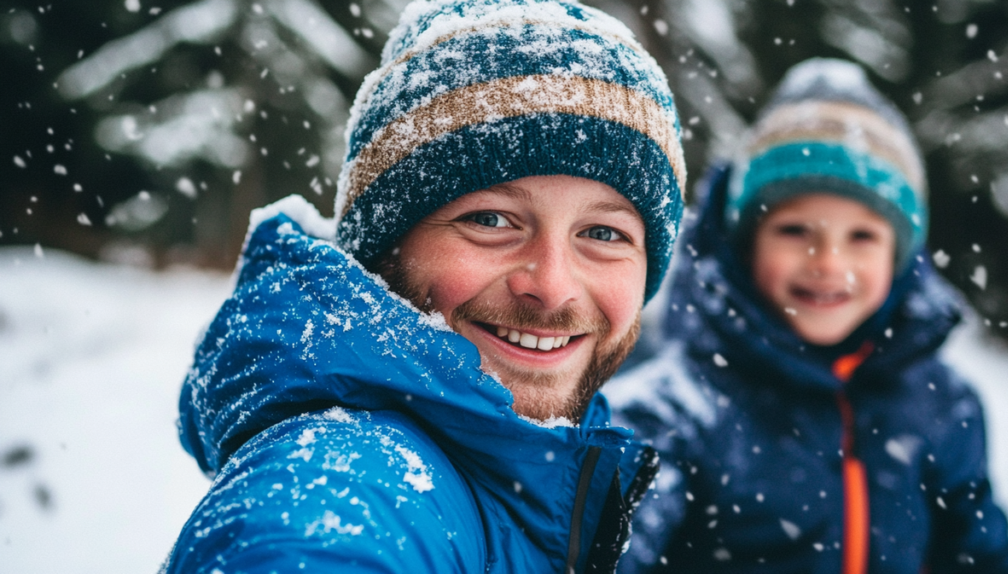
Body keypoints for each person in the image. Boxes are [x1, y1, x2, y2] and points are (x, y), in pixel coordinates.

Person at [161, 0, 687, 572]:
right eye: (490, 220)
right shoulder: (342, 486)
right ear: (385, 248)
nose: (553, 286)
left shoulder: (535, 472)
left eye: (604, 232)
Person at [607, 58, 1008, 573]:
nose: (828, 263)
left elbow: (980, 556)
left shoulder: (941, 405)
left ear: (900, 257)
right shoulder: (676, 413)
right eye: (796, 231)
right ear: (745, 245)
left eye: (862, 237)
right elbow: (612, 550)